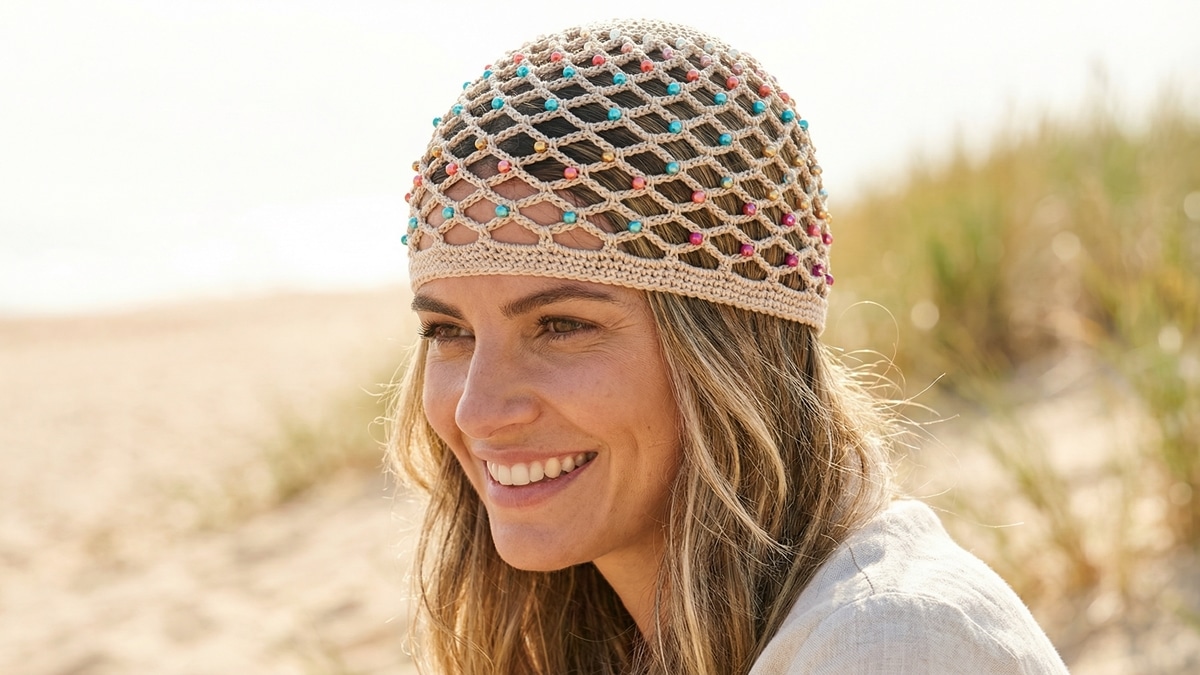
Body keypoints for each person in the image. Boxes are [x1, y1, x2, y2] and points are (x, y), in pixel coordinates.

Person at [388, 19, 1068, 674]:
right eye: (449, 331)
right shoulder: (632, 639)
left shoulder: (892, 643)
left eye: (561, 325)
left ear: (728, 348)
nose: (477, 411)